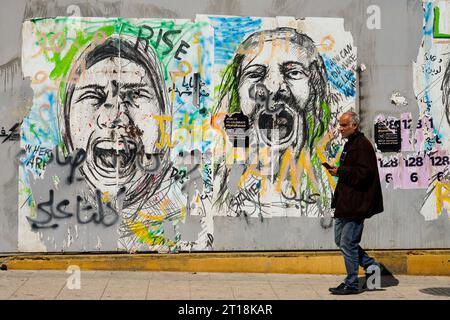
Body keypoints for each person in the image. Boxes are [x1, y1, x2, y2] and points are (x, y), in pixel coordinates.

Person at [213, 27, 334, 221]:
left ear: (314, 88)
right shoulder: (219, 184)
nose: (273, 86)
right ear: (237, 91)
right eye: (255, 74)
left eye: (293, 72)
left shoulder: (330, 179)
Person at [326, 111, 384, 294]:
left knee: (348, 243)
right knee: (340, 240)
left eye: (344, 125)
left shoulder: (362, 146)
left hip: (355, 204)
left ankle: (351, 284)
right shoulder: (352, 144)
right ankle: (371, 265)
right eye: (340, 125)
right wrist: (339, 171)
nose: (340, 129)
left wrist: (341, 172)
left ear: (354, 126)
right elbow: (352, 171)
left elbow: (364, 175)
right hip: (345, 203)